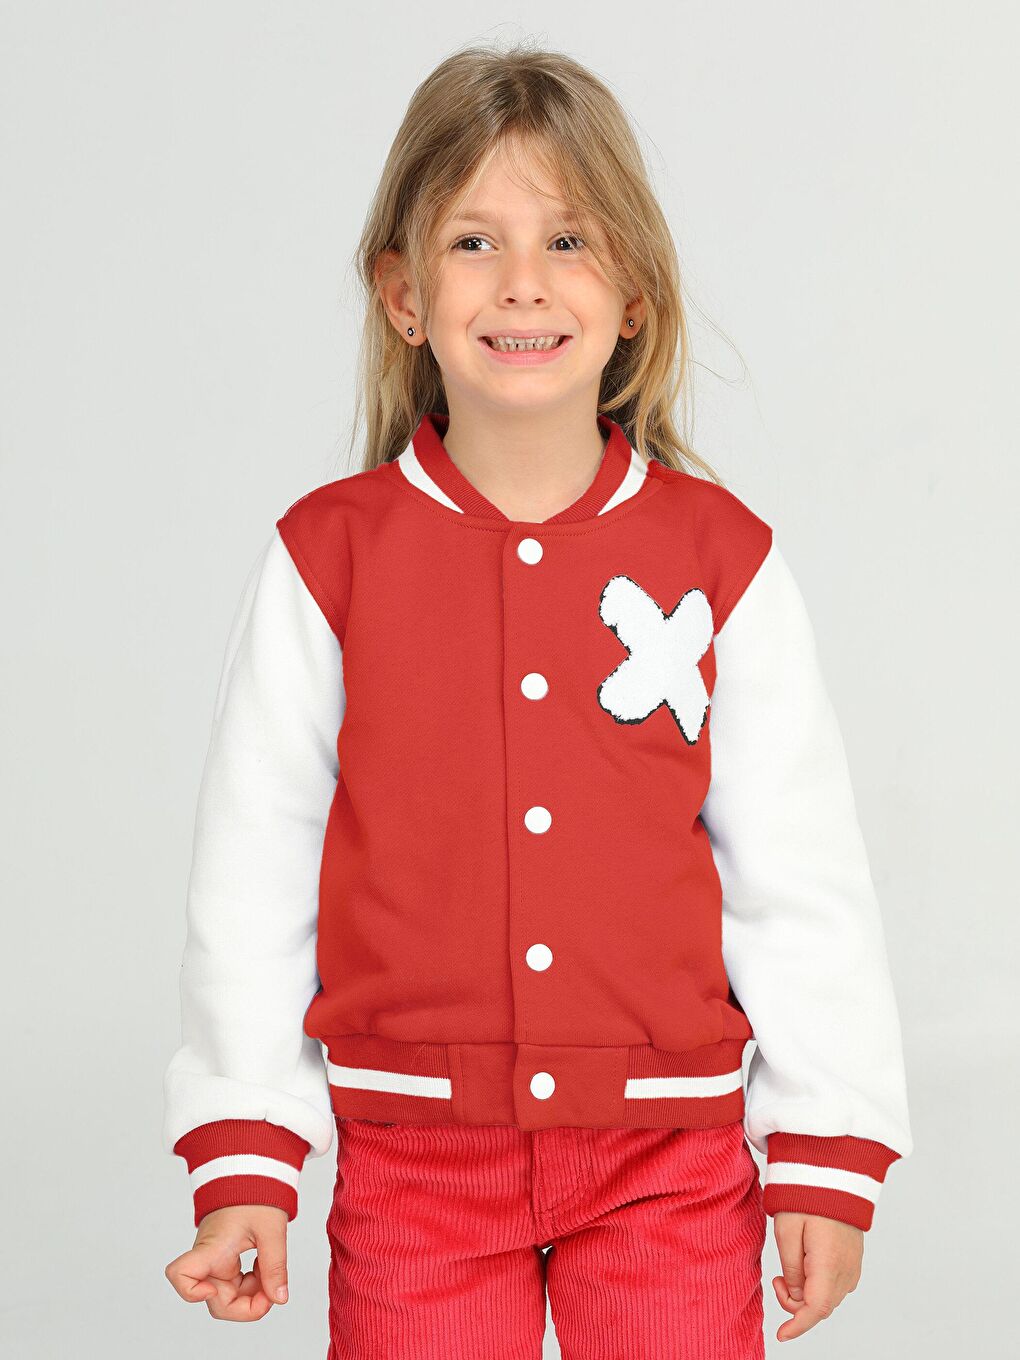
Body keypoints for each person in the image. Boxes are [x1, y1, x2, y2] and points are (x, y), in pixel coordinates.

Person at [161, 42, 912, 1358]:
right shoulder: (329, 559)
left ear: (633, 296)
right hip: (414, 1162)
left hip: (670, 1160)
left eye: (568, 240)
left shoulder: (720, 559)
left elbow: (800, 876)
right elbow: (255, 871)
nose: (522, 282)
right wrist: (247, 1147)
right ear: (403, 295)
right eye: (474, 242)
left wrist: (823, 1144)